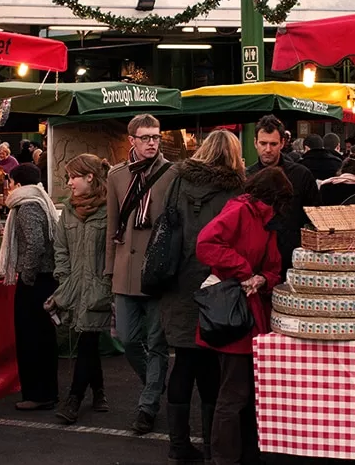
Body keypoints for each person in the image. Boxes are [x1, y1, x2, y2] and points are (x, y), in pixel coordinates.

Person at [159, 130, 245, 464]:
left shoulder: (176, 182)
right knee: (212, 367)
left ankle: (178, 445)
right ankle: (212, 446)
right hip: (218, 284)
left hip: (178, 281)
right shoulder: (237, 189)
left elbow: (164, 225)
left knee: (182, 362)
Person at [196, 167, 287, 465]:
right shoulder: (241, 212)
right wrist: (245, 271)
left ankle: (242, 454)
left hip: (251, 314)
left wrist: (262, 279)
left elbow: (273, 267)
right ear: (272, 197)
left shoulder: (265, 220)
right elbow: (206, 244)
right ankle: (224, 458)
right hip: (234, 315)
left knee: (244, 393)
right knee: (234, 393)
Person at [106, 113, 177, 434]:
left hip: (157, 270)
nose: (152, 143)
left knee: (156, 342)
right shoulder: (117, 176)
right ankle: (154, 382)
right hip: (124, 269)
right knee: (127, 338)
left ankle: (147, 405)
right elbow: (111, 225)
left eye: (156, 137)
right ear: (131, 140)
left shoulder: (172, 173)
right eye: (146, 137)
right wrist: (109, 270)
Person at [48, 154, 112, 425]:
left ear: (90, 177)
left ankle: (74, 398)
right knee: (88, 339)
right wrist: (64, 278)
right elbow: (60, 248)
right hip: (74, 286)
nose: (70, 182)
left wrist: (107, 282)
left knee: (87, 340)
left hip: (99, 287)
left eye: (74, 176)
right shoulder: (69, 211)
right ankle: (98, 391)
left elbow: (114, 251)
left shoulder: (111, 210)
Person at [0, 163, 60, 411]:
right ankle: (44, 391)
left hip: (37, 281)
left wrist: (27, 275)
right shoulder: (39, 201)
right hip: (44, 279)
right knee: (41, 337)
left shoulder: (26, 206)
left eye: (10, 183)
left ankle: (39, 393)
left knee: (32, 337)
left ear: (17, 184)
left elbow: (35, 244)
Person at [247, 115, 318, 279]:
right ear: (255, 143)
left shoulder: (301, 175)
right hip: (257, 260)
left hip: (292, 259)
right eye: (263, 143)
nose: (268, 149)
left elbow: (315, 216)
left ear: (282, 143)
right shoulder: (246, 177)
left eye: (273, 144)